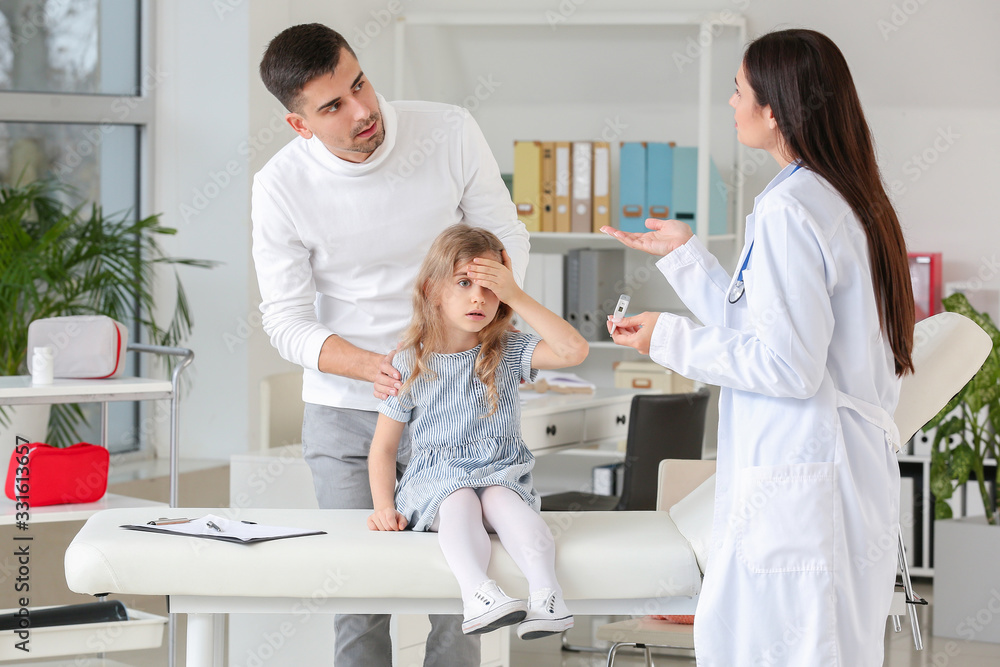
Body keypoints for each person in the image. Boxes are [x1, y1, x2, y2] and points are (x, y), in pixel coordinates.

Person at [601, 29, 914, 666]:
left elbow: (788, 367)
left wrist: (670, 338)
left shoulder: (792, 210)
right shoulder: (841, 197)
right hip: (830, 479)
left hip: (807, 483)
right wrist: (688, 260)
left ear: (773, 109)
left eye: (737, 91)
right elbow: (769, 330)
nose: (731, 104)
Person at [250, 23, 530, 667]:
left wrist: (457, 342)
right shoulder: (280, 186)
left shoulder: (449, 131)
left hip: (455, 406)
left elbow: (510, 243)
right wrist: (374, 365)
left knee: (464, 595)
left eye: (360, 83)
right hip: (348, 415)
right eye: (333, 106)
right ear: (300, 125)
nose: (363, 111)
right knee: (361, 598)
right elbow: (285, 320)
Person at [367, 224, 588, 640]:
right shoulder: (409, 361)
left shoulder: (508, 349)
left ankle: (547, 594)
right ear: (433, 289)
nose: (478, 297)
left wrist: (518, 295)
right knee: (460, 498)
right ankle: (477, 592)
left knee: (503, 499)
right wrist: (383, 505)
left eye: (491, 288)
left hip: (500, 473)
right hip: (437, 482)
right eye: (465, 283)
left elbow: (573, 350)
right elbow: (383, 449)